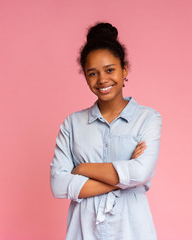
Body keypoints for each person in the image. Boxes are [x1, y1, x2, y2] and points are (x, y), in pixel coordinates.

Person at [50, 22, 162, 240]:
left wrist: (82, 168)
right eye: (92, 73)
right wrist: (124, 178)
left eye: (110, 70)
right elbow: (58, 184)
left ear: (124, 69)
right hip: (84, 232)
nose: (102, 80)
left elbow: (140, 173)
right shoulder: (72, 124)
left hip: (132, 231)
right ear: (85, 75)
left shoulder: (148, 119)